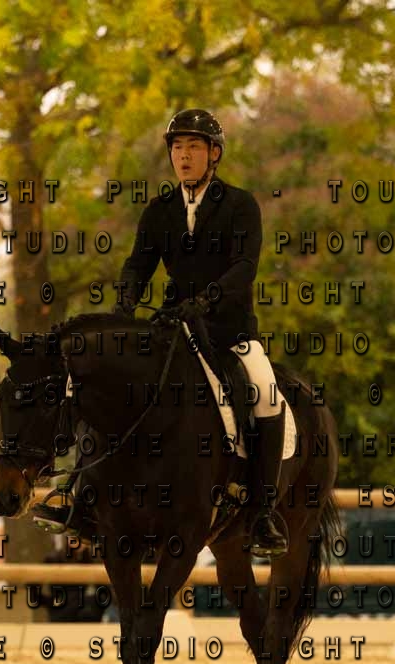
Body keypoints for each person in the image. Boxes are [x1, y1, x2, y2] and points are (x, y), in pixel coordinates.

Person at [114, 108, 288, 558]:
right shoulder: (159, 211)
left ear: (214, 154)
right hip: (174, 328)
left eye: (193, 147)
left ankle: (263, 512)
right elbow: (138, 264)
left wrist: (208, 300)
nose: (184, 156)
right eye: (177, 148)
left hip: (228, 331)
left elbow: (244, 267)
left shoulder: (240, 205)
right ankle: (87, 495)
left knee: (267, 395)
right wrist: (126, 299)